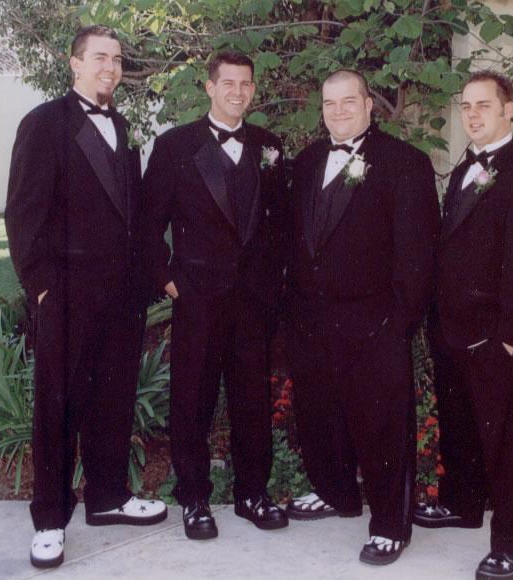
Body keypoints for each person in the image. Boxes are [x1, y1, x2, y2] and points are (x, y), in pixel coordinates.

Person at [5, 25, 167, 569]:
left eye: (116, 59)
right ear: (73, 63)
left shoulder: (122, 127)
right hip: (67, 296)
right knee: (58, 407)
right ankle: (50, 518)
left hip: (121, 297)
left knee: (113, 399)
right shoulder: (43, 123)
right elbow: (23, 213)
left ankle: (108, 496)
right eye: (100, 57)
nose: (110, 68)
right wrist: (42, 288)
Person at [285, 69, 440, 565]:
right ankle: (336, 493)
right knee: (320, 414)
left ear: (369, 104)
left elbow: (417, 255)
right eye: (329, 103)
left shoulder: (404, 163)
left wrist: (398, 324)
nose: (338, 112)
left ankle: (391, 524)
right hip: (314, 320)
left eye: (348, 101)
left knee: (382, 426)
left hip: (375, 323)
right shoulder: (307, 161)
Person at [413, 70, 513, 580]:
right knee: (460, 426)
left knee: (504, 441)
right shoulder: (463, 171)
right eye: (467, 106)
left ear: (508, 110)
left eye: (484, 106)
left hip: (494, 336)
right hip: (453, 329)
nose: (472, 115)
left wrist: (510, 338)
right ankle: (463, 503)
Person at [142, 50, 289, 540]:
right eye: (229, 83)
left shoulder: (268, 146)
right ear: (210, 87)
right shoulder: (175, 146)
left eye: (246, 84)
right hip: (198, 299)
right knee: (193, 402)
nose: (238, 92)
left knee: (253, 400)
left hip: (252, 303)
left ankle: (253, 493)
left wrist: (273, 284)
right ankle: (194, 497)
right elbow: (147, 225)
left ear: (253, 89)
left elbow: (280, 225)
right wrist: (169, 280)